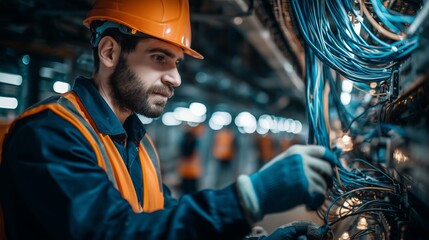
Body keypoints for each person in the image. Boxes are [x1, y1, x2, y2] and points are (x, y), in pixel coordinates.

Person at [0, 0, 336, 239]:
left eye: (176, 62)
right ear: (109, 52)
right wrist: (249, 197)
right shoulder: (49, 133)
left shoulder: (139, 142)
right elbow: (113, 233)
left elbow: (164, 225)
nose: (175, 78)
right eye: (159, 58)